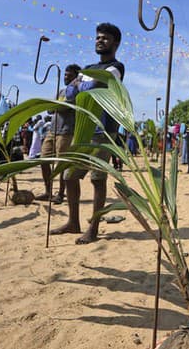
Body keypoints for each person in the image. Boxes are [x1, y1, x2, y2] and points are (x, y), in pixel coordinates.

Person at [51, 22, 125, 244]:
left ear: (116, 43)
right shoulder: (88, 68)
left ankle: (93, 228)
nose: (99, 40)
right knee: (70, 176)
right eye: (97, 37)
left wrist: (81, 84)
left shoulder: (116, 67)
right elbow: (71, 93)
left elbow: (90, 88)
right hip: (82, 130)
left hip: (103, 130)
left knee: (97, 179)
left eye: (105, 38)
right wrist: (82, 85)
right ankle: (73, 222)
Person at [34, 64, 81, 203]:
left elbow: (64, 107)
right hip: (52, 130)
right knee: (43, 159)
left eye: (69, 75)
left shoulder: (76, 91)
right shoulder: (60, 91)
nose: (66, 77)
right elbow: (49, 110)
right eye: (65, 74)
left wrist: (54, 106)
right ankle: (48, 191)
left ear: (76, 77)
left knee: (62, 164)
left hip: (66, 131)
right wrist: (53, 106)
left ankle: (60, 193)